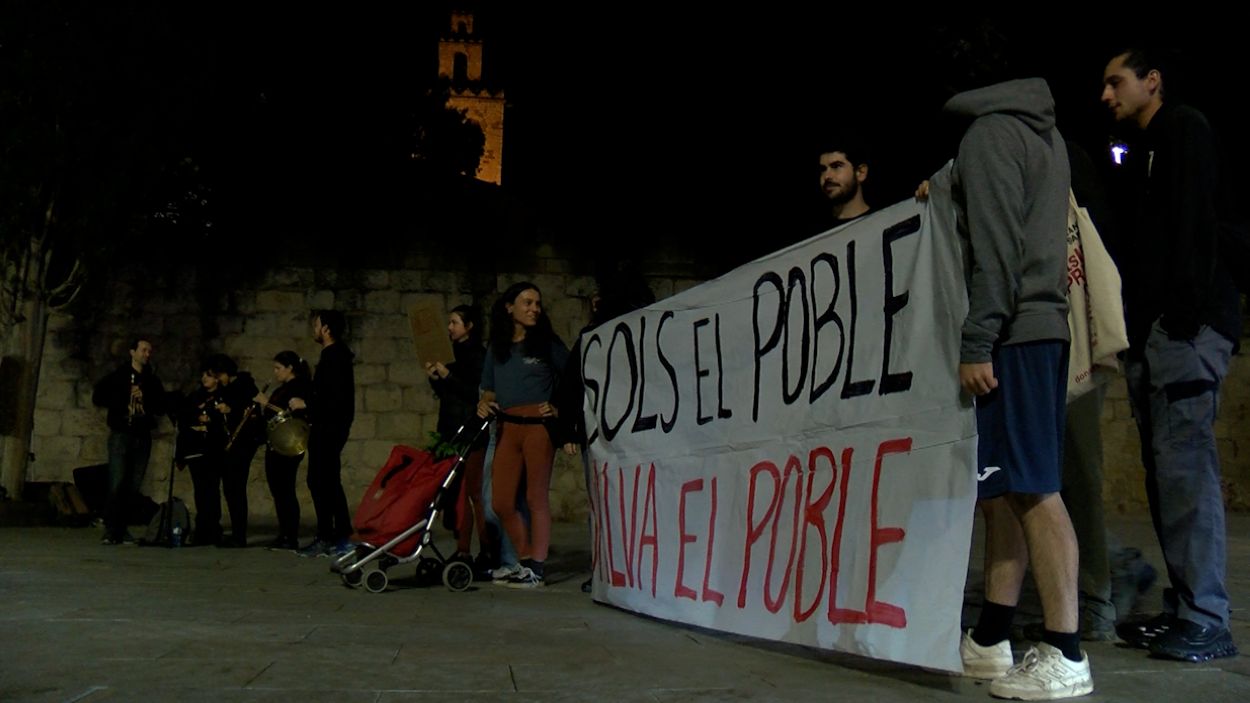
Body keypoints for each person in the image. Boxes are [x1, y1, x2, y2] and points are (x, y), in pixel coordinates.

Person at [930, 23, 1093, 699]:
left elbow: (997, 248)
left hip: (1015, 334)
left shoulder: (988, 134)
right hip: (1034, 328)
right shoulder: (1037, 130)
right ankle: (993, 636)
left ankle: (1065, 649)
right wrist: (943, 184)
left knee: (1034, 489)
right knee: (1002, 490)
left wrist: (977, 342)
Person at [1101, 47, 1241, 662]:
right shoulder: (1139, 154)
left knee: (1188, 472)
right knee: (1166, 479)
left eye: (1116, 81)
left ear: (1152, 80)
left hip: (1186, 329)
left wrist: (1180, 321)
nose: (1107, 95)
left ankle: (1209, 618)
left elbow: (1197, 225)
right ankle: (1184, 609)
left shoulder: (1185, 128)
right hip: (1155, 336)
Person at [555, 261, 655, 593]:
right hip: (640, 433)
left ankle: (606, 569)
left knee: (604, 504)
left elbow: (569, 386)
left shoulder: (594, 335)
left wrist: (568, 429)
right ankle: (632, 568)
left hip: (607, 436)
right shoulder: (649, 329)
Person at [476, 282, 569, 588]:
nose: (534, 309)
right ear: (509, 308)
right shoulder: (497, 347)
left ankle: (536, 570)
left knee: (535, 497)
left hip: (538, 429)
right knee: (501, 501)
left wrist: (557, 409)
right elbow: (488, 389)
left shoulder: (546, 343)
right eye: (527, 303)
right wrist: (483, 403)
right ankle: (525, 560)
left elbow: (574, 378)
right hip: (506, 427)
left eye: (537, 304)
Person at [426, 304, 492, 574]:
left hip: (472, 430)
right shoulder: (451, 353)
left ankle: (486, 552)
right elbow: (448, 393)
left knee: (475, 493)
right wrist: (435, 378)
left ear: (469, 326)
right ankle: (462, 549)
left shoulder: (479, 355)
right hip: (451, 429)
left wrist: (448, 376)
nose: (450, 327)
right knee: (457, 494)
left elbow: (475, 393)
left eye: (454, 322)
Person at [292, 310, 356, 558]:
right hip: (327, 426)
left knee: (324, 480)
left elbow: (335, 399)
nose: (313, 328)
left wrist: (306, 405)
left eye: (316, 324)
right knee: (322, 480)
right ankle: (331, 533)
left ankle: (336, 535)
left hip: (330, 427)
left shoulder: (335, 356)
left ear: (327, 329)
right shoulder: (333, 355)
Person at [92, 338, 166, 545]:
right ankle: (111, 529)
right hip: (122, 433)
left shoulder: (151, 380)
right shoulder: (118, 376)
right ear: (132, 352)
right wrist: (123, 399)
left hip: (142, 434)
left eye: (149, 351)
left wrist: (146, 397)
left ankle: (122, 528)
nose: (147, 354)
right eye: (143, 350)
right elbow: (99, 397)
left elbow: (161, 406)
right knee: (117, 482)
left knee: (133, 485)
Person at [254, 350, 312, 551]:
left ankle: (290, 536)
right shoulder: (283, 388)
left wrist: (265, 403)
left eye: (278, 368)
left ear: (290, 369)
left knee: (285, 490)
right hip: (276, 442)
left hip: (289, 443)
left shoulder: (299, 387)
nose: (275, 372)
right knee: (278, 490)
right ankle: (284, 533)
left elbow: (289, 413)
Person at [207, 354, 261, 548]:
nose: (218, 379)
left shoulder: (245, 386)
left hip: (242, 444)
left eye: (219, 374)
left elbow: (251, 414)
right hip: (228, 444)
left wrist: (231, 410)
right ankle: (237, 533)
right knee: (230, 489)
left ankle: (239, 535)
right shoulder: (226, 388)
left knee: (236, 488)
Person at [176, 358, 230, 546]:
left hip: (214, 449)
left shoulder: (223, 396)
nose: (204, 378)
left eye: (209, 375)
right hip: (196, 449)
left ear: (216, 378)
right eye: (203, 375)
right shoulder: (195, 396)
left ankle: (213, 527)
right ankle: (202, 529)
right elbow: (184, 417)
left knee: (212, 489)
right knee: (200, 490)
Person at [817, 133, 873, 228]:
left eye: (836, 166)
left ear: (861, 172)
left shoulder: (881, 222)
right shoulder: (812, 234)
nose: (826, 176)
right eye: (823, 169)